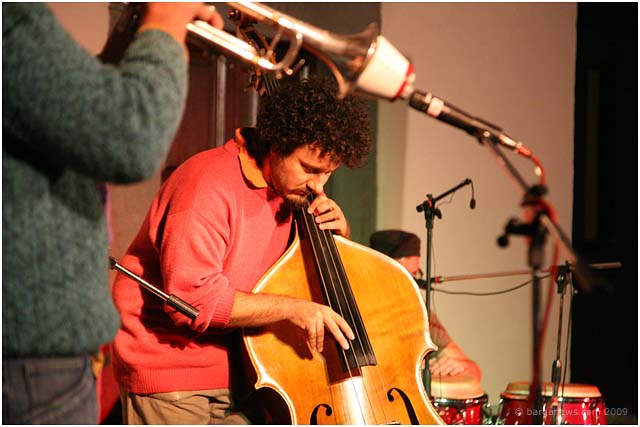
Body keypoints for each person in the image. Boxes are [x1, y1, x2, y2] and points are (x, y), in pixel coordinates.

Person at [2, 3, 223, 424]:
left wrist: (139, 29)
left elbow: (76, 116)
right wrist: (165, 22)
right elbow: (128, 138)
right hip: (30, 360)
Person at [110, 75, 373, 424]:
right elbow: (194, 302)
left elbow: (292, 278)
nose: (318, 185)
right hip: (172, 367)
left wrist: (339, 236)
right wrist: (292, 309)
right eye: (309, 169)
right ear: (276, 145)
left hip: (247, 368)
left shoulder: (290, 193)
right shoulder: (206, 186)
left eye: (328, 173)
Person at [369, 229, 482, 382]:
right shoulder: (361, 307)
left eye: (414, 274)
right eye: (402, 275)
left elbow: (475, 370)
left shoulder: (417, 312)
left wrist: (461, 366)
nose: (410, 283)